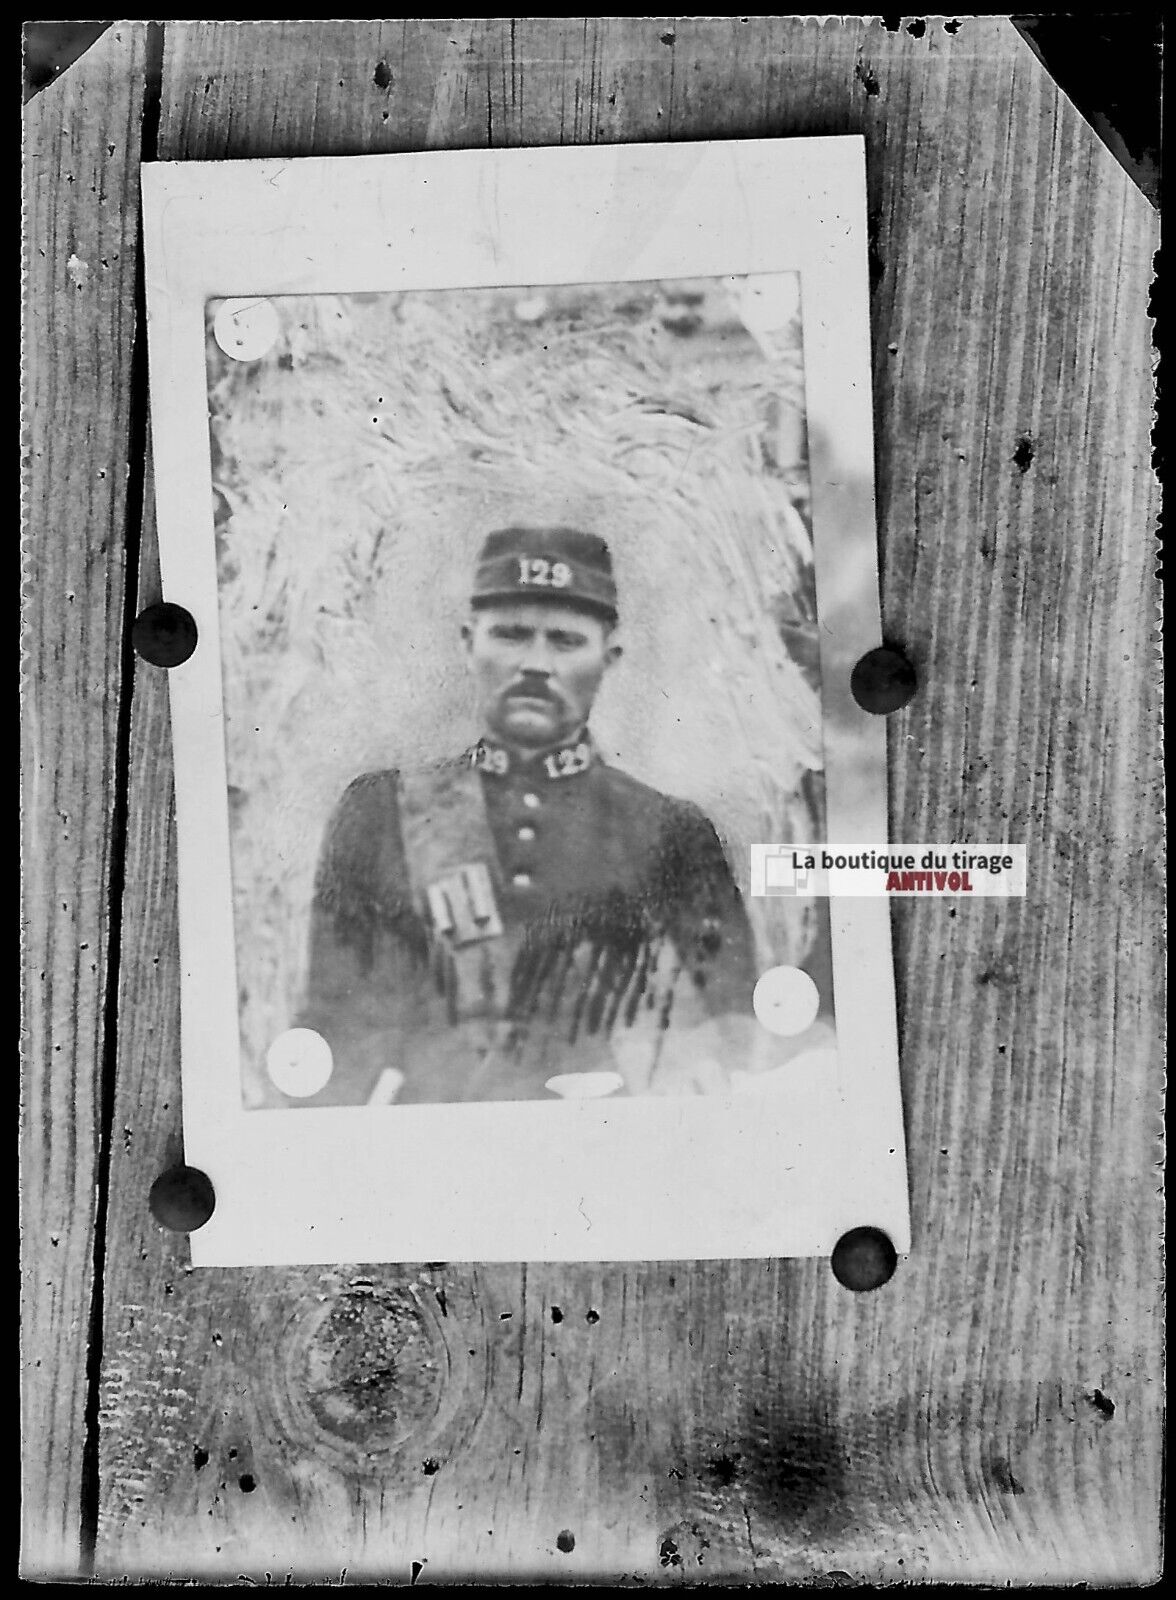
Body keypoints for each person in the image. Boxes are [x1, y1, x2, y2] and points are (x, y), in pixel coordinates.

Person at [292, 525, 758, 1105]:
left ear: (608, 657)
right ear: (469, 643)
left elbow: (727, 1042)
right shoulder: (379, 813)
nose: (535, 664)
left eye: (565, 641)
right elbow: (338, 1038)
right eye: (511, 635)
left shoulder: (674, 835)